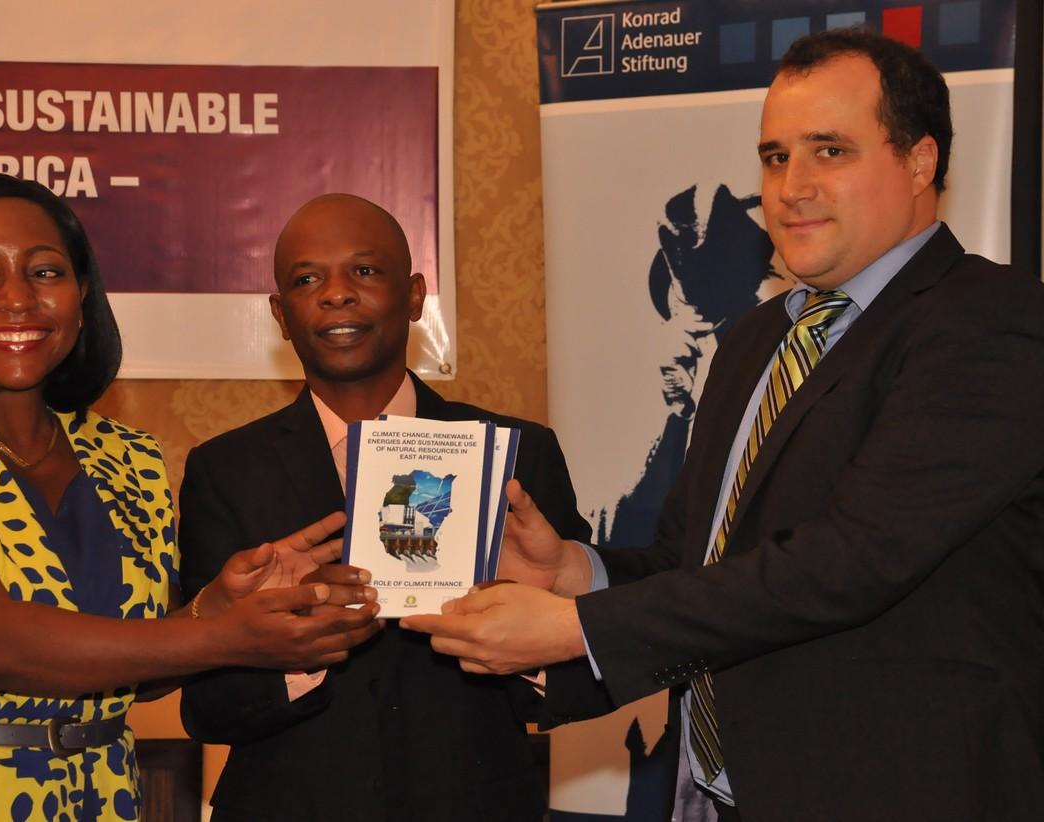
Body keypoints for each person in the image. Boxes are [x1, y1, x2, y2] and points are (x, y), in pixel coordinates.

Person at [404, 28, 1044, 822]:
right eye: (775, 157)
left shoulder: (992, 322)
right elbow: (695, 558)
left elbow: (850, 562)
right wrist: (574, 572)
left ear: (919, 162)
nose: (792, 187)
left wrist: (578, 627)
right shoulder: (756, 339)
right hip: (719, 792)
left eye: (830, 151)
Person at [0, 174, 380, 821]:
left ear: (82, 300)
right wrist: (225, 638)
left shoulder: (126, 458)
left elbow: (138, 664)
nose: (17, 298)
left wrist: (215, 606)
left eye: (45, 272)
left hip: (102, 797)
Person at [178, 192, 592, 820]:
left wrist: (532, 628)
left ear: (416, 295)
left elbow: (582, 681)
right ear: (281, 315)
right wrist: (293, 645)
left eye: (364, 271)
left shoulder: (515, 454)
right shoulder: (225, 470)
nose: (336, 294)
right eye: (306, 280)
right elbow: (206, 710)